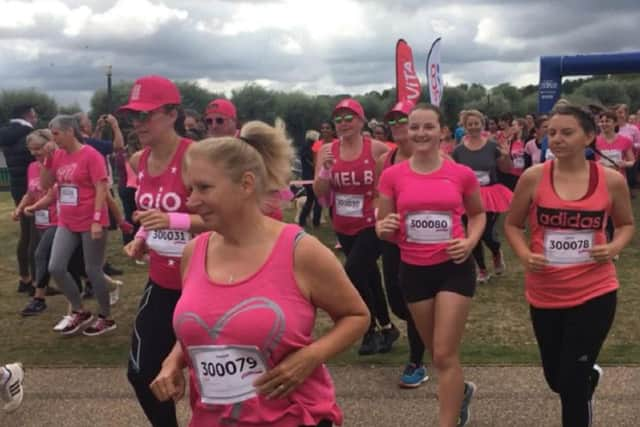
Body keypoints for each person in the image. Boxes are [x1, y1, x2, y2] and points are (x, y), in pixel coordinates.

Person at [149, 120, 370, 427]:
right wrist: (174, 360)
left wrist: (310, 357)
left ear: (247, 184)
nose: (191, 201)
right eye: (190, 189)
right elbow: (210, 323)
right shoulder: (193, 253)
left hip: (291, 418)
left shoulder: (300, 251)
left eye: (204, 188)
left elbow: (357, 316)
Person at [504, 104, 634, 427]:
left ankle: (581, 378)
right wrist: (523, 254)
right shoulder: (534, 177)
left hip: (595, 290)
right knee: (556, 379)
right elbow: (512, 224)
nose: (557, 139)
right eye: (551, 133)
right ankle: (588, 374)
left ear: (589, 136)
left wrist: (613, 246)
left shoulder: (611, 181)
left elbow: (626, 224)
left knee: (572, 385)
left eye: (567, 132)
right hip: (545, 292)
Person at [377, 103, 484, 427]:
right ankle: (460, 391)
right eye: (415, 127)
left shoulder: (460, 174)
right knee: (438, 354)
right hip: (413, 270)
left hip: (453, 267)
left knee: (442, 354)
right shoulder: (392, 175)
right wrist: (382, 228)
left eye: (428, 127)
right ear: (407, 131)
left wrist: (468, 242)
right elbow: (383, 222)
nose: (421, 133)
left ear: (442, 131)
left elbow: (478, 214)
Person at [120, 75, 204, 427]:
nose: (138, 124)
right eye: (133, 116)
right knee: (141, 373)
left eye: (146, 115)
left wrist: (174, 219)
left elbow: (229, 217)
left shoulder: (195, 157)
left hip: (202, 280)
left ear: (172, 114)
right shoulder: (140, 160)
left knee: (211, 380)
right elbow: (150, 212)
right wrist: (142, 236)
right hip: (162, 280)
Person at [314, 98, 397, 355]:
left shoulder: (377, 149)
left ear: (361, 121)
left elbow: (393, 181)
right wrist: (326, 169)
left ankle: (368, 328)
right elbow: (320, 192)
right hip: (343, 223)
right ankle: (387, 327)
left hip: (372, 223)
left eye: (349, 118)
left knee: (353, 271)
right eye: (338, 119)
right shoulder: (327, 151)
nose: (343, 123)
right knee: (369, 275)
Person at [39, 115, 114, 337]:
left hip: (91, 219)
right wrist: (47, 159)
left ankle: (106, 316)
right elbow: (45, 184)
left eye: (56, 134)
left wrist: (97, 219)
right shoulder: (58, 155)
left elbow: (101, 188)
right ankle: (79, 310)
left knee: (93, 270)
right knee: (56, 267)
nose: (53, 139)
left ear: (70, 131)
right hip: (67, 220)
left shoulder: (91, 155)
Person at [377, 100, 429, 387]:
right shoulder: (385, 160)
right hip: (393, 240)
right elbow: (378, 197)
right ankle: (425, 328)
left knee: (413, 301)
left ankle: (416, 361)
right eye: (394, 121)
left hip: (423, 241)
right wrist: (380, 221)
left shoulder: (438, 160)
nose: (398, 126)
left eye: (403, 120)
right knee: (398, 301)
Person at [452, 110, 512, 283]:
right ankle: (482, 270)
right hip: (467, 196)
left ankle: (495, 251)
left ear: (482, 124)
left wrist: (506, 156)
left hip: (490, 193)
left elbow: (506, 169)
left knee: (486, 232)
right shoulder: (459, 151)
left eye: (476, 123)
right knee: (472, 234)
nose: (473, 127)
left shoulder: (492, 146)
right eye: (469, 124)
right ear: (464, 126)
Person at [0, 104, 38, 294]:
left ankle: (25, 278)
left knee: (25, 235)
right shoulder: (27, 136)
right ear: (28, 115)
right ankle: (37, 283)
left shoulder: (7, 136)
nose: (36, 118)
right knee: (34, 237)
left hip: (17, 189)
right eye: (35, 114)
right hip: (32, 190)